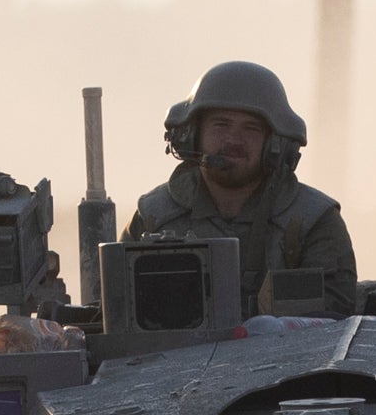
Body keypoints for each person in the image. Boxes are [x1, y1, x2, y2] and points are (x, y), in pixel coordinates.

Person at [118, 58, 359, 316]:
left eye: (251, 128)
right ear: (191, 134)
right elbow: (117, 310)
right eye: (221, 124)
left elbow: (333, 320)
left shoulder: (312, 221)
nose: (234, 139)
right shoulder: (154, 217)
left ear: (274, 145)